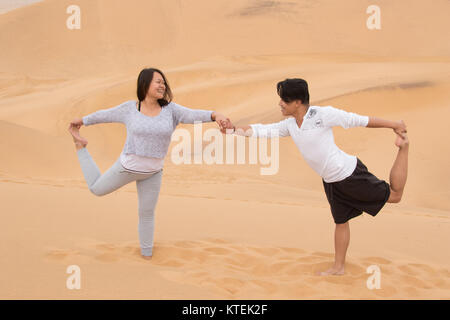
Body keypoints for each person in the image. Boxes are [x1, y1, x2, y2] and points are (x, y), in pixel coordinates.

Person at [220, 78, 409, 275]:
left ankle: (404, 148)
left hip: (349, 175)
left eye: (284, 99)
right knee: (341, 221)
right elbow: (263, 130)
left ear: (298, 102)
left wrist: (394, 124)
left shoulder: (323, 115)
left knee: (395, 196)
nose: (280, 104)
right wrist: (233, 130)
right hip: (331, 182)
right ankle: (339, 267)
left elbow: (359, 120)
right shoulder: (291, 125)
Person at [68, 67, 228, 260]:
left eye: (163, 82)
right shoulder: (130, 109)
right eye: (158, 81)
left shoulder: (171, 110)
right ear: (145, 84)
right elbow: (105, 115)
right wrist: (83, 121)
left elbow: (193, 115)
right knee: (96, 189)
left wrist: (215, 115)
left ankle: (147, 256)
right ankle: (80, 146)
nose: (162, 85)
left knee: (146, 213)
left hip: (153, 172)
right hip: (126, 168)